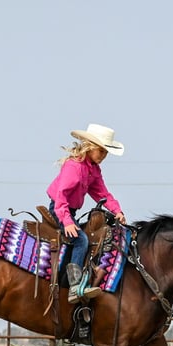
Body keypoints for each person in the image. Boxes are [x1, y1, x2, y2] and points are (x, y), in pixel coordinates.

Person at [46, 123, 127, 304]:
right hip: (60, 208)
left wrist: (117, 210)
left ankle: (85, 278)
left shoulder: (93, 170)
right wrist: (67, 221)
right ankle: (74, 287)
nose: (104, 156)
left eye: (106, 153)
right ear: (90, 147)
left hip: (69, 209)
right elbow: (61, 196)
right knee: (80, 239)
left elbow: (102, 193)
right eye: (101, 151)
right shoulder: (74, 167)